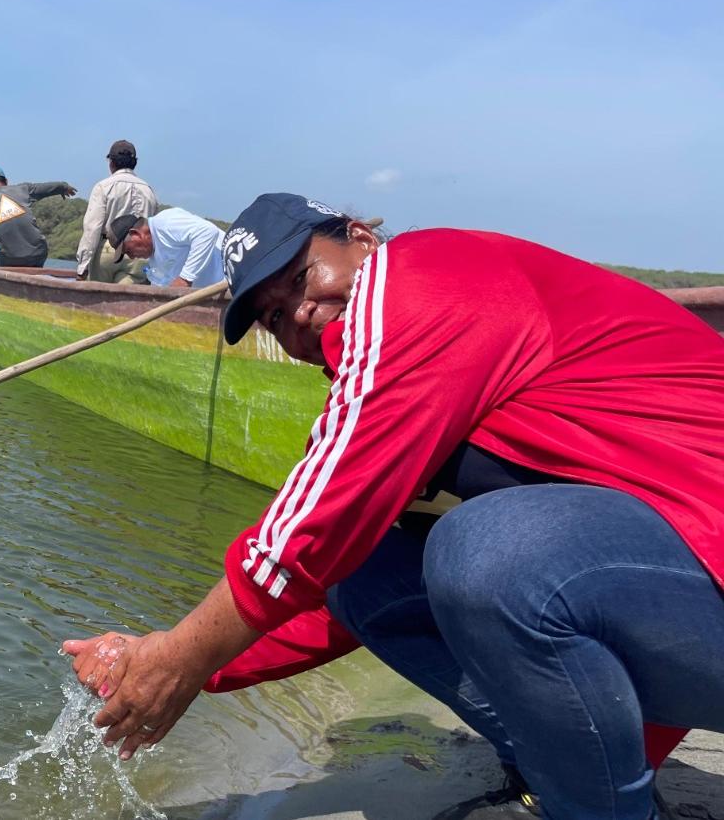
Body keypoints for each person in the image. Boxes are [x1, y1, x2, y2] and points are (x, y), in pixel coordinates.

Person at [63, 193, 724, 819]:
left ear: (361, 238)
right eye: (271, 316)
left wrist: (178, 658)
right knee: (366, 573)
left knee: (488, 552)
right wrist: (176, 663)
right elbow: (324, 586)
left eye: (298, 280)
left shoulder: (427, 276)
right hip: (672, 593)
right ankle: (578, 770)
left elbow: (305, 534)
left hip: (705, 571)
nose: (296, 315)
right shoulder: (400, 394)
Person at [77, 139, 160, 283]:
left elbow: (92, 228)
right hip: (140, 251)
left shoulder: (104, 187)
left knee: (98, 300)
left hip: (108, 249)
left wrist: (82, 265)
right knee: (128, 300)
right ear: (134, 163)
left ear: (111, 163)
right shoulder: (149, 190)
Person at [104, 207, 224, 289]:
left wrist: (185, 278)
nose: (131, 257)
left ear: (136, 234)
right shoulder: (153, 263)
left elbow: (208, 232)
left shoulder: (166, 223)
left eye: (128, 250)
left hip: (231, 279)